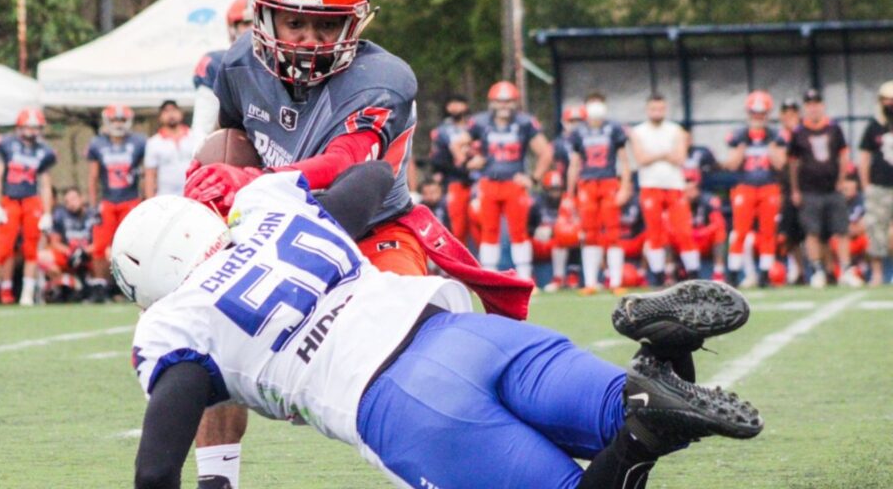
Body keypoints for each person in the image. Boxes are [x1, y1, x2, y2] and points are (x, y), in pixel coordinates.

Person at [115, 164, 763, 489]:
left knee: (631, 443)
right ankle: (665, 347)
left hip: (401, 402)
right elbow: (375, 177)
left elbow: (154, 471)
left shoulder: (178, 322)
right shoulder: (266, 207)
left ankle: (646, 431)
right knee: (620, 409)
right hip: (462, 332)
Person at [182, 0, 533, 488]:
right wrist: (209, 190)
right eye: (295, 22)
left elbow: (344, 163)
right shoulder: (238, 66)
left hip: (371, 228)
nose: (308, 40)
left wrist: (248, 181)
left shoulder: (383, 78)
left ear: (354, 25)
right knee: (210, 330)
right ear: (265, 17)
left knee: (409, 361)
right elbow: (230, 140)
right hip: (280, 230)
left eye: (325, 26)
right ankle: (215, 481)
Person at [458, 81, 553, 279]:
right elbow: (458, 144)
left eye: (508, 101)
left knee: (519, 231)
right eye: (500, 101)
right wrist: (469, 161)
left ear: (515, 102)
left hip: (514, 183)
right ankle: (489, 278)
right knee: (489, 230)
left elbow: (546, 151)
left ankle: (524, 278)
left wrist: (533, 178)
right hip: (488, 182)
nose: (504, 106)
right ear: (491, 102)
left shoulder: (525, 123)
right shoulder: (481, 122)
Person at [0, 108, 56, 309]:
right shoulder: (6, 144)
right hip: (10, 199)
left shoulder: (44, 150)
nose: (32, 131)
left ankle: (27, 295)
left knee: (31, 250)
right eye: (29, 126)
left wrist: (47, 212)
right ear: (20, 127)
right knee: (2, 249)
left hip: (31, 200)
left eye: (36, 127)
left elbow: (45, 184)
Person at [787, 89, 863, 288]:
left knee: (842, 229)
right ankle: (817, 270)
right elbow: (793, 163)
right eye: (810, 104)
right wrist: (795, 189)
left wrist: (842, 178)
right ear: (806, 107)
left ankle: (846, 269)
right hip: (809, 189)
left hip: (832, 188)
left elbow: (843, 155)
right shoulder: (799, 131)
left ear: (822, 106)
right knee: (812, 231)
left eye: (817, 104)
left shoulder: (834, 128)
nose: (813, 108)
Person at [629, 95, 699, 286]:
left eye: (660, 109)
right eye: (653, 109)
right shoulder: (638, 131)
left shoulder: (675, 130)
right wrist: (665, 154)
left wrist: (654, 155)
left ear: (665, 109)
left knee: (683, 231)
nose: (657, 112)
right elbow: (640, 159)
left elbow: (680, 158)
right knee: (654, 233)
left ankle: (694, 275)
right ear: (647, 110)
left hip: (674, 186)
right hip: (650, 185)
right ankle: (658, 276)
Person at [567, 92, 632, 295]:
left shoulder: (614, 128)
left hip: (609, 181)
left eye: (599, 103)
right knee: (589, 232)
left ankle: (616, 281)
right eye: (592, 103)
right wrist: (570, 193)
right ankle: (591, 282)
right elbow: (574, 163)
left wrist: (625, 186)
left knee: (613, 231)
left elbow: (624, 160)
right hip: (587, 183)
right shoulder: (579, 132)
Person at [721, 91, 786, 288]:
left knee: (768, 232)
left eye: (761, 113)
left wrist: (770, 148)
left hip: (769, 186)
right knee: (740, 231)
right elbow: (731, 165)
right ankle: (733, 274)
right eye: (754, 113)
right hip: (745, 186)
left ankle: (765, 274)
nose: (758, 117)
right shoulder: (739, 135)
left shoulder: (775, 135)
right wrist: (742, 148)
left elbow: (780, 164)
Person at [87, 104, 146, 303]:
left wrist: (145, 201)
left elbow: (146, 174)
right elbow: (93, 178)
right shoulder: (97, 144)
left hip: (131, 200)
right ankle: (100, 286)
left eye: (121, 120)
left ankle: (133, 286)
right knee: (99, 246)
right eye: (114, 120)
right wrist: (93, 205)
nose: (118, 124)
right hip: (108, 200)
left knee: (132, 247)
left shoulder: (139, 142)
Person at [191, 0, 254, 142]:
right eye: (246, 23)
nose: (253, 28)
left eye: (258, 21)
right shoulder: (216, 65)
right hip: (238, 147)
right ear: (232, 29)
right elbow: (202, 131)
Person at [857, 80, 893, 286]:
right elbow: (864, 157)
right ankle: (877, 274)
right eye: (886, 100)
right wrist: (866, 185)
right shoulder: (873, 126)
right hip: (879, 187)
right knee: (876, 231)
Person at [428, 95, 473, 245]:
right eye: (452, 104)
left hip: (479, 179)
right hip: (455, 179)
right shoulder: (442, 131)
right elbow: (437, 159)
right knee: (457, 226)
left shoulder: (475, 126)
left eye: (458, 104)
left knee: (479, 222)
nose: (455, 107)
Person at [45, 186, 99, 303]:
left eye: (74, 199)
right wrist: (69, 251)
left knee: (104, 253)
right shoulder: (60, 215)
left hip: (89, 254)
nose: (71, 203)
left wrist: (84, 251)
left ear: (81, 198)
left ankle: (100, 286)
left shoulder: (93, 215)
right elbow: (55, 242)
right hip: (69, 255)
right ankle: (69, 283)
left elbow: (100, 241)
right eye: (67, 201)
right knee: (44, 256)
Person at [528, 171, 580, 291]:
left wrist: (556, 232)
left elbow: (574, 226)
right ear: (546, 190)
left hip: (560, 241)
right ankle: (529, 277)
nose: (555, 193)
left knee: (572, 237)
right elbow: (527, 228)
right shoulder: (537, 203)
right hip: (541, 242)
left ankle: (567, 276)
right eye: (552, 190)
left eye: (558, 190)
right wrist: (537, 231)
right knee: (524, 243)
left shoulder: (568, 202)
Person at [144, 100, 200, 198]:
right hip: (165, 198)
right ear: (160, 117)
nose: (171, 114)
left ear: (181, 113)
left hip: (194, 196)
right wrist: (150, 200)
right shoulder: (154, 142)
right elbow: (150, 175)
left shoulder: (195, 137)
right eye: (166, 111)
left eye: (174, 110)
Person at [679, 168, 727, 282]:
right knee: (664, 235)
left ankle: (718, 273)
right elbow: (669, 225)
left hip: (704, 237)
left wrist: (702, 233)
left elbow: (718, 223)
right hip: (685, 239)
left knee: (720, 232)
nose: (688, 185)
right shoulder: (675, 202)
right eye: (686, 181)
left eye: (691, 181)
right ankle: (669, 273)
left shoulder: (709, 200)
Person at [777, 98, 806, 284]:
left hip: (809, 187)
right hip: (787, 190)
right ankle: (799, 271)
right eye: (786, 113)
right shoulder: (778, 137)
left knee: (812, 231)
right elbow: (779, 162)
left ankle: (821, 270)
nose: (789, 117)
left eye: (793, 113)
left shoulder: (805, 133)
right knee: (791, 234)